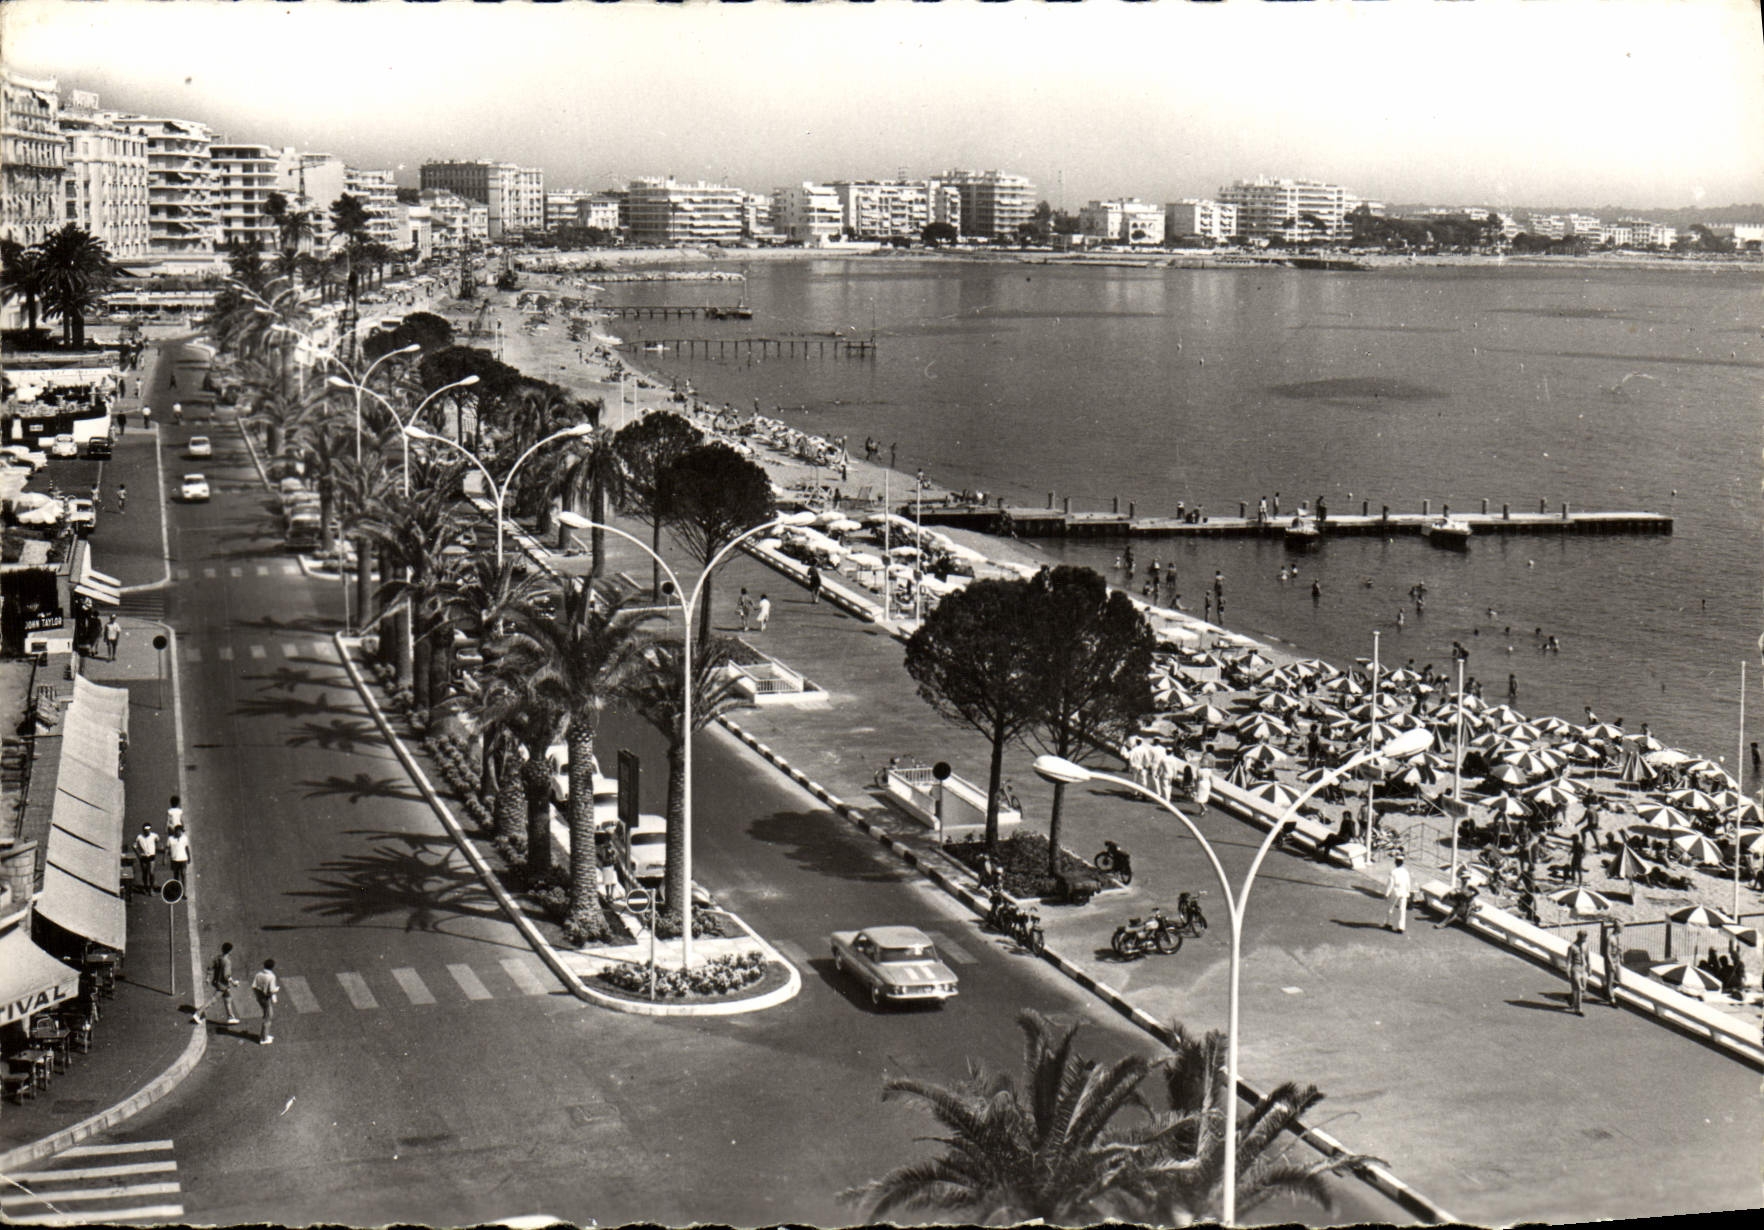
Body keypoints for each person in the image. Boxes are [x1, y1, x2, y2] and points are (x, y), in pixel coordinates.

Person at [195, 942, 242, 1026]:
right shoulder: (227, 961)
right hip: (223, 985)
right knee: (213, 1000)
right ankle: (198, 1013)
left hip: (217, 982)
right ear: (230, 951)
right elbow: (226, 975)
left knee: (228, 998)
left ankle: (230, 1017)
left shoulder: (218, 958)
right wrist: (234, 983)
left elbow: (210, 967)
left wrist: (208, 977)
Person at [252, 959, 281, 1045]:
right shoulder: (271, 977)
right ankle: (264, 1038)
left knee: (266, 1014)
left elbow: (254, 986)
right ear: (272, 967)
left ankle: (264, 1035)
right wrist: (276, 990)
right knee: (268, 1017)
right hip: (266, 998)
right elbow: (272, 990)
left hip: (260, 997)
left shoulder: (258, 974)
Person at [1383, 853, 1412, 933]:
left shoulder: (1393, 872)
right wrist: (1408, 891)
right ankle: (1401, 927)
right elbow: (1408, 883)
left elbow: (1390, 884)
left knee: (1390, 908)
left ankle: (1389, 923)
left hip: (1395, 891)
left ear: (1396, 862)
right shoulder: (1406, 872)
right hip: (1404, 892)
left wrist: (1386, 894)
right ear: (1402, 862)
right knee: (1402, 910)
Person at [1600, 919, 1624, 1007]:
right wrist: (1611, 964)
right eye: (1622, 927)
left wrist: (1621, 957)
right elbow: (1607, 953)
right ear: (1617, 928)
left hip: (1616, 960)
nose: (1623, 929)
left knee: (1618, 980)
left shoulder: (1618, 937)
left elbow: (1619, 948)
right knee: (1610, 980)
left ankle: (1606, 989)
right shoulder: (1610, 938)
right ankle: (1612, 999)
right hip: (1610, 961)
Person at [1566, 931, 1589, 1016]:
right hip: (1575, 968)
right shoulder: (1572, 947)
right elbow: (1568, 961)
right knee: (1578, 989)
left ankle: (1571, 998)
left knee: (1583, 988)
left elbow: (1588, 957)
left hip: (1583, 969)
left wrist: (1589, 968)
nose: (1585, 939)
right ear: (1579, 937)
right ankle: (1578, 1009)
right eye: (1583, 937)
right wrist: (1568, 971)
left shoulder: (1586, 946)